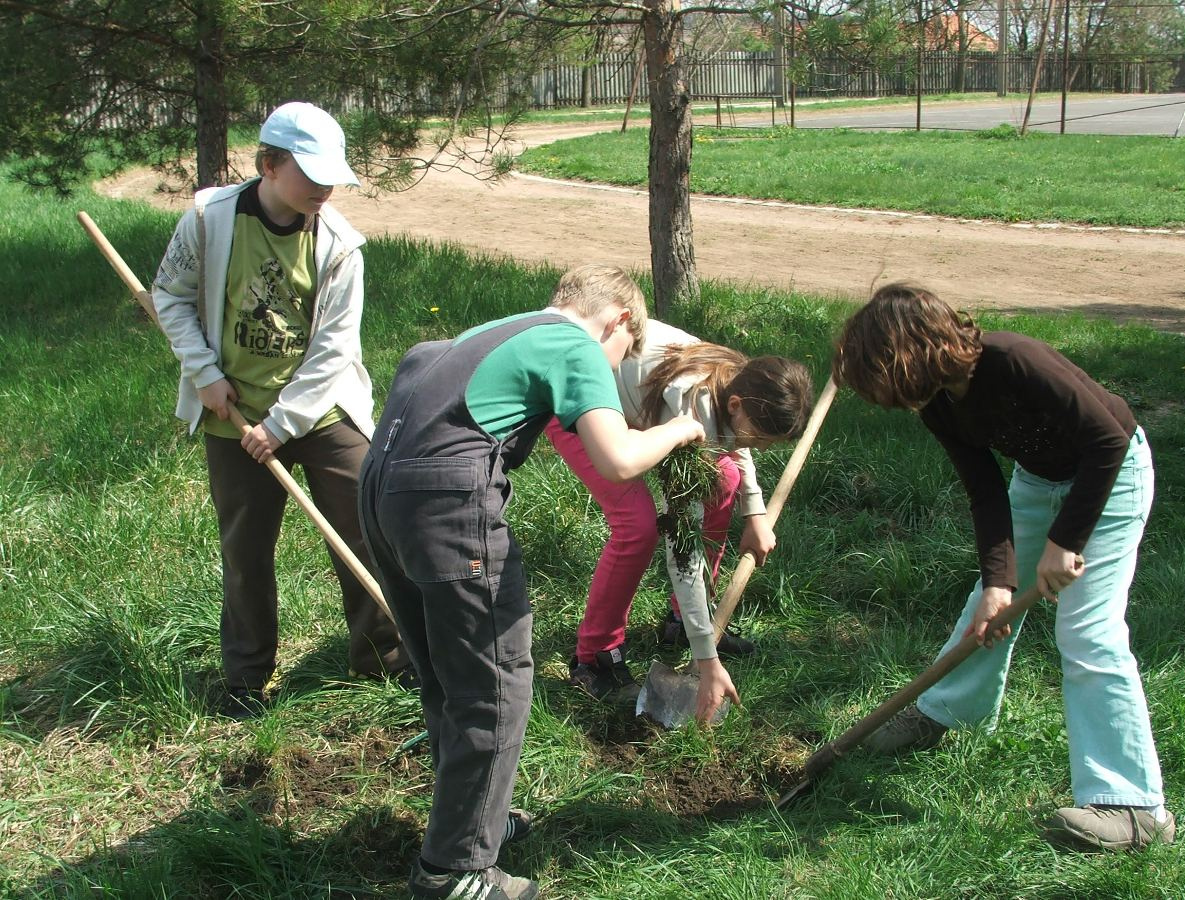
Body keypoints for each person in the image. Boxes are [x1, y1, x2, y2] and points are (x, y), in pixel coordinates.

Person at [358, 265, 705, 900]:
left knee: (446, 673)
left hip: (382, 490)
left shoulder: (493, 331)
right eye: (623, 353)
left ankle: (469, 821)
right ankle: (455, 871)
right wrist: (683, 428)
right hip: (447, 501)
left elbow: (416, 363)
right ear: (618, 322)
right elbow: (619, 458)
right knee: (495, 684)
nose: (615, 366)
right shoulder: (574, 342)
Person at [832, 281, 1174, 852]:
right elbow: (985, 492)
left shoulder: (1016, 360)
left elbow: (1107, 441)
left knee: (1088, 632)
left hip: (1112, 477)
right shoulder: (939, 404)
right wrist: (999, 581)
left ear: (912, 356)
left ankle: (1137, 808)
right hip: (1037, 482)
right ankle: (949, 712)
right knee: (984, 611)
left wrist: (1066, 541)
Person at [152, 101, 409, 719]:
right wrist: (205, 374)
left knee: (367, 529)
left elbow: (333, 349)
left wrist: (282, 425)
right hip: (232, 411)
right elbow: (170, 295)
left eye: (332, 176)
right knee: (244, 548)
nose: (325, 187)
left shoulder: (341, 245)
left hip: (320, 413)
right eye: (311, 173)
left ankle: (384, 659)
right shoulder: (210, 221)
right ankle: (245, 678)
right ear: (268, 164)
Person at [545, 319, 813, 716]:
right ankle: (595, 657)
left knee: (726, 479)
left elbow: (730, 439)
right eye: (753, 438)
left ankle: (683, 621)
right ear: (736, 404)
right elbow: (682, 548)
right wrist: (707, 660)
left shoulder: (736, 381)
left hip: (635, 410)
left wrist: (754, 511)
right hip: (574, 406)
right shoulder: (694, 400)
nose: (746, 446)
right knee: (636, 525)